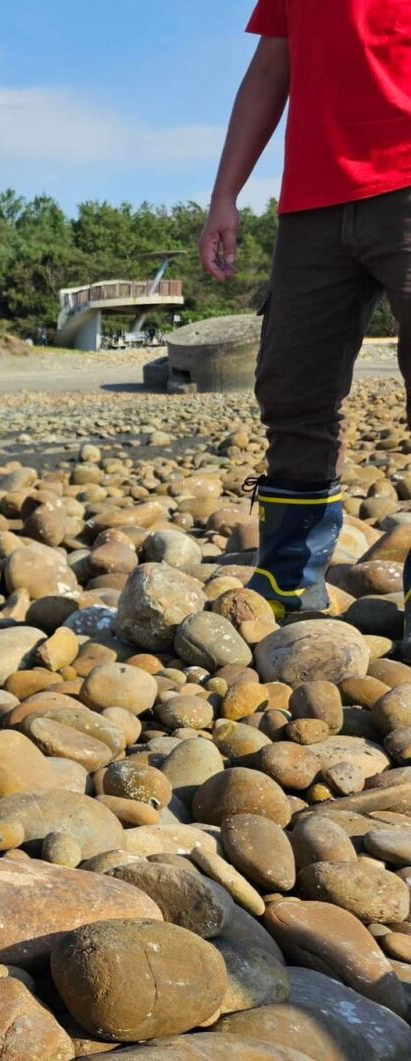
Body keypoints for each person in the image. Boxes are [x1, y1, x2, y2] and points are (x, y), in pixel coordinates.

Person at [199, 0, 411, 624]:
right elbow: (270, 71)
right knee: (292, 385)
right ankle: (291, 577)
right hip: (313, 202)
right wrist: (224, 194)